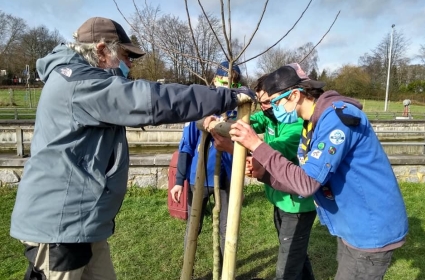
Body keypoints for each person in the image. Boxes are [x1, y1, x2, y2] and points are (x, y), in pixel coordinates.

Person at [9, 17, 255, 280]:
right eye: (126, 56)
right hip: (59, 228)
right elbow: (153, 101)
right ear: (102, 51)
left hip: (81, 226)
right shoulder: (82, 85)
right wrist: (225, 96)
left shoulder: (80, 80)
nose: (130, 64)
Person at [227, 63, 408, 280]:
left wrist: (257, 146)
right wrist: (264, 174)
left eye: (274, 103)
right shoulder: (313, 122)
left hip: (370, 230)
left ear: (294, 95)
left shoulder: (336, 120)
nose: (272, 110)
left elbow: (307, 183)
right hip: (352, 225)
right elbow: (303, 178)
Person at [211, 74, 316, 280]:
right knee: (295, 254)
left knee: (286, 268)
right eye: (261, 102)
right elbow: (248, 121)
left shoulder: (295, 125)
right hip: (281, 200)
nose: (266, 107)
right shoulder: (270, 116)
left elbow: (271, 152)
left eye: (270, 102)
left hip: (296, 205)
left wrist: (232, 149)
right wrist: (219, 123)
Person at [170, 61, 242, 259]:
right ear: (214, 81)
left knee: (227, 228)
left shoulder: (238, 111)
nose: (228, 89)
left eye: (233, 85)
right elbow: (186, 146)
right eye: (224, 83)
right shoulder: (200, 108)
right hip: (198, 178)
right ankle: (188, 266)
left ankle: (224, 268)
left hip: (226, 178)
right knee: (194, 227)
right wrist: (179, 182)